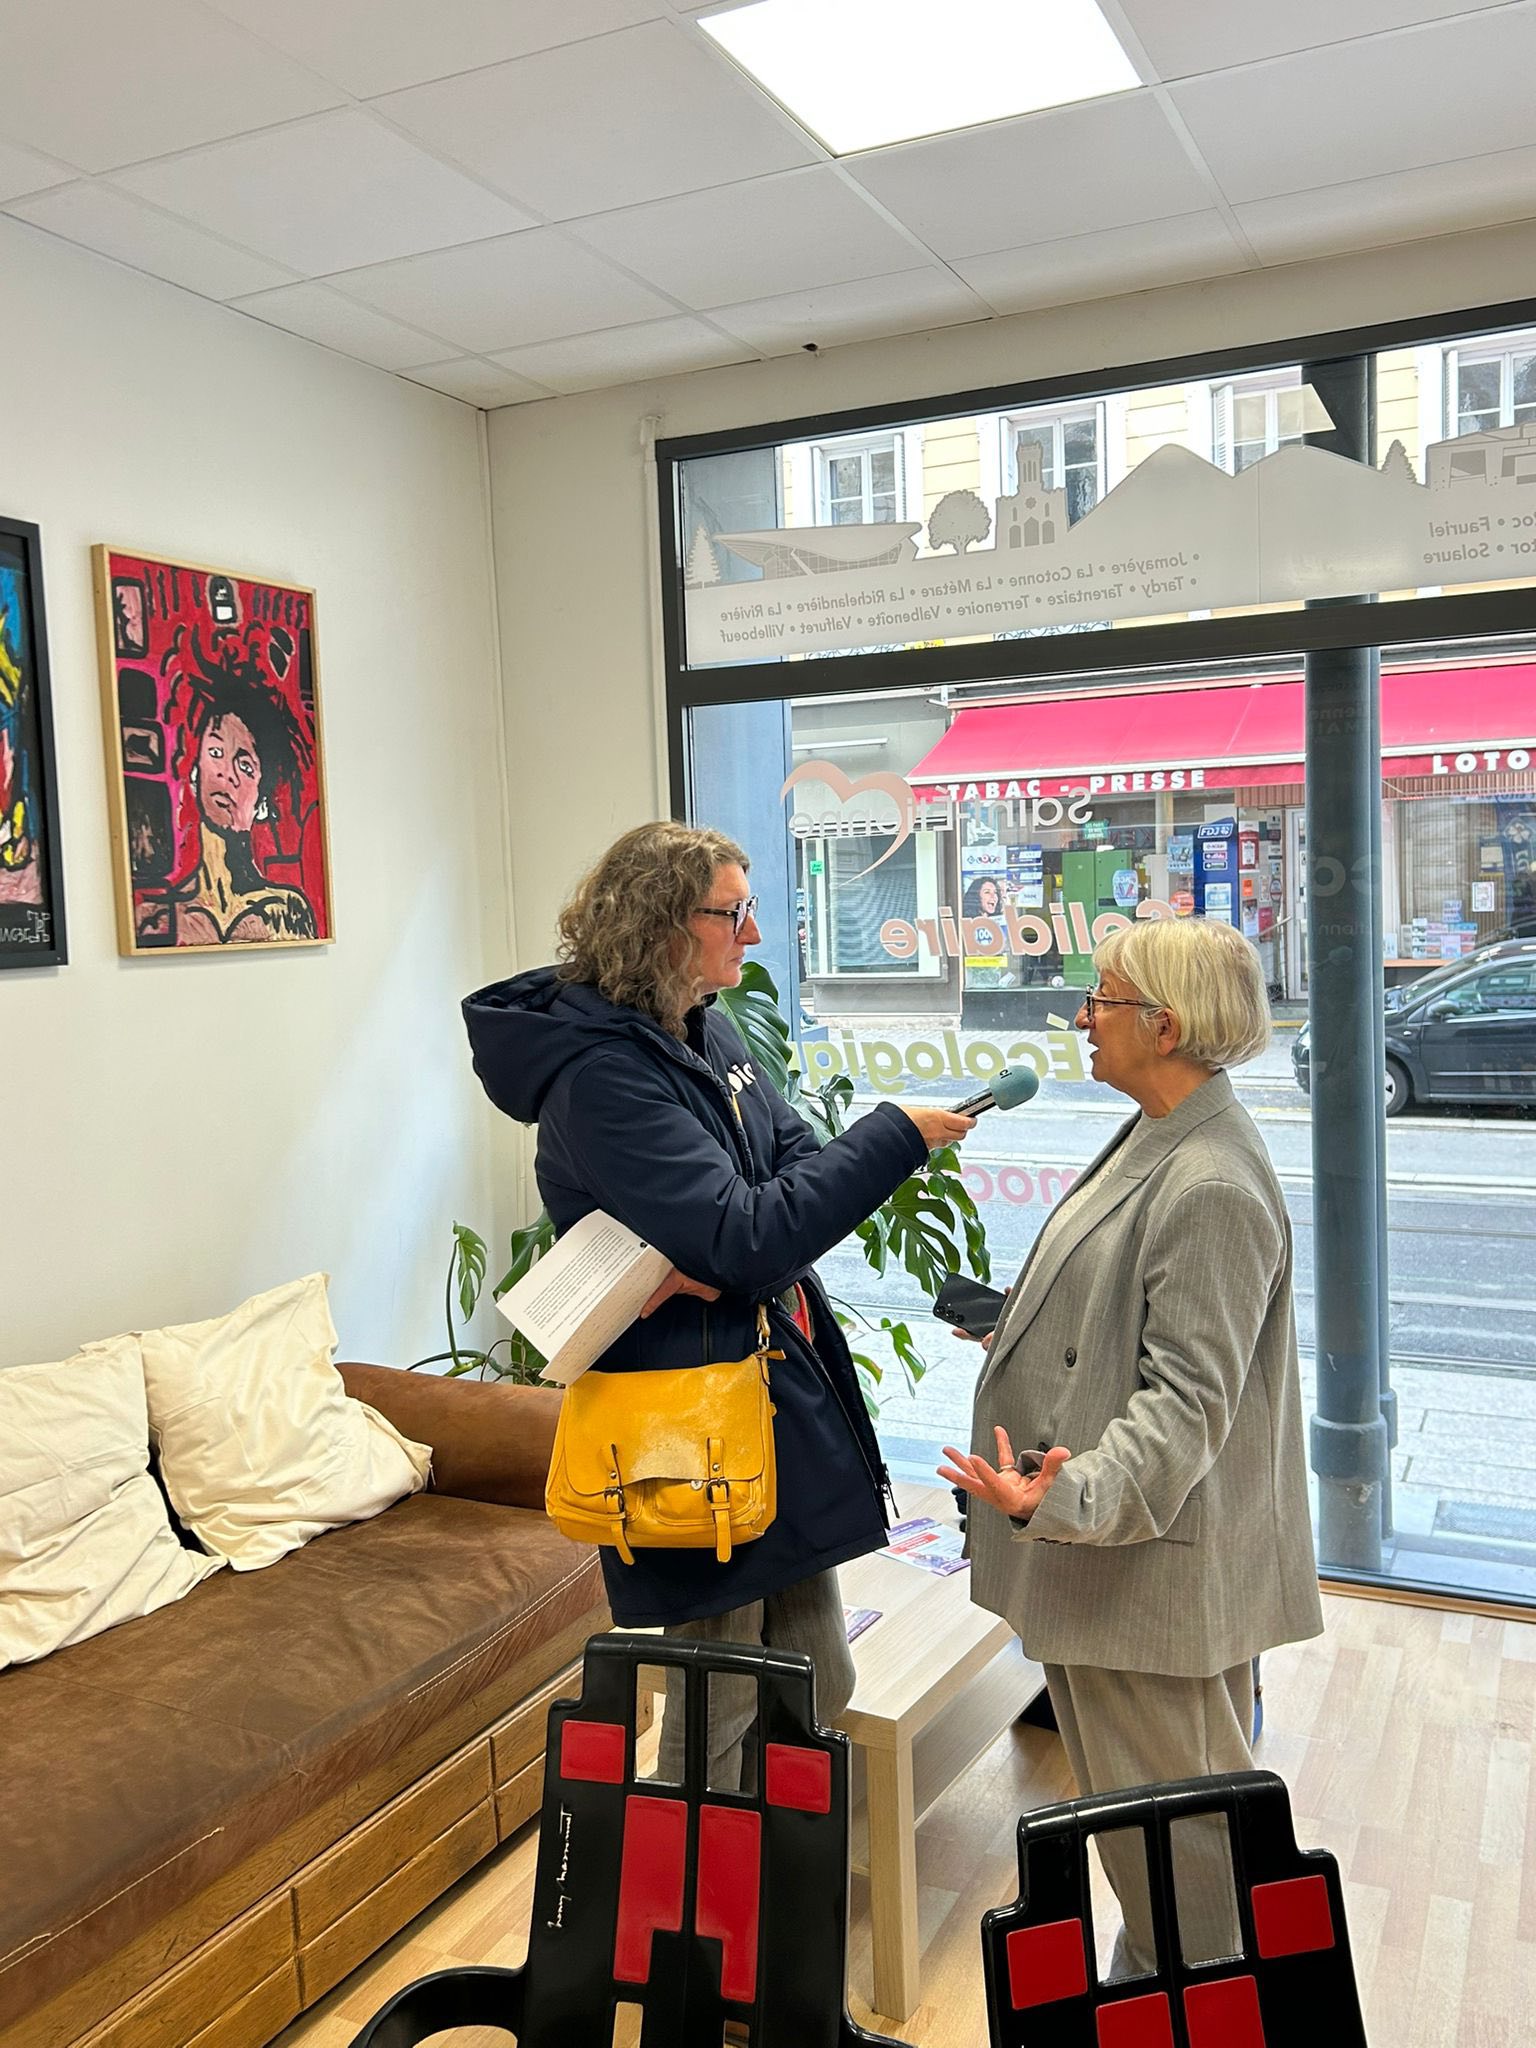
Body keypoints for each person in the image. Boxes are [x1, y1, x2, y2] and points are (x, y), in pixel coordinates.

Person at [464, 821, 973, 1785]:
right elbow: (752, 1234)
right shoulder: (602, 1078)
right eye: (732, 914)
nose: (755, 934)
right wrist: (889, 1139)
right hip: (688, 1422)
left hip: (765, 1396)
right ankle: (691, 1878)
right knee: (719, 1706)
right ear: (661, 925)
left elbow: (788, 1170)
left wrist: (740, 1245)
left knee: (817, 1680)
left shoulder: (704, 1024)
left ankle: (780, 1862)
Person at [939, 915, 1322, 1977]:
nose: (1081, 1017)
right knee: (1159, 1833)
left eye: (1101, 1000)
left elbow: (1187, 1406)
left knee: (1177, 1859)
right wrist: (1022, 1321)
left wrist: (1056, 1498)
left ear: (1166, 1025)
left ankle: (1185, 2005)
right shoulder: (1165, 1129)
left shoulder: (1210, 1182)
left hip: (1143, 1572)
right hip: (1122, 1564)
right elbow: (1129, 1314)